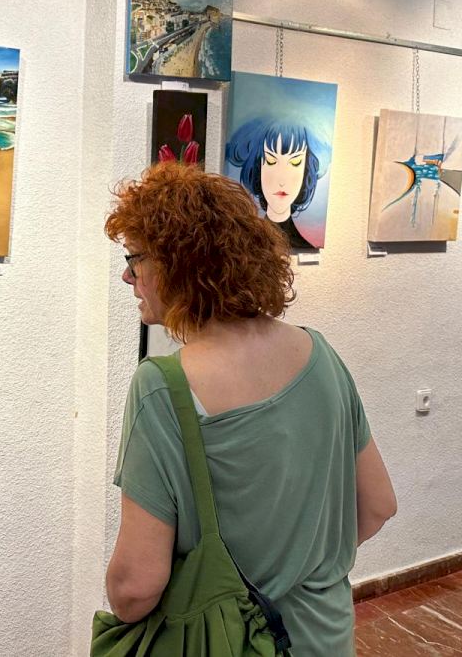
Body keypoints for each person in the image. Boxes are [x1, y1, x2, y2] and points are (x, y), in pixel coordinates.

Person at [103, 162, 396, 657]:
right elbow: (378, 505)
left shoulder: (163, 388)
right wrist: (300, 570)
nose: (128, 275)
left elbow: (136, 587)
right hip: (326, 637)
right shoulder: (320, 354)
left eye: (135, 259)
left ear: (177, 264)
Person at [226, 118, 326, 249]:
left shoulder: (305, 247)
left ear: (306, 169)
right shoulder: (244, 247)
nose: (282, 181)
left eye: (295, 162)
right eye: (271, 161)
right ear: (257, 166)